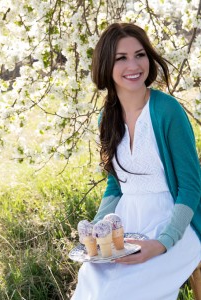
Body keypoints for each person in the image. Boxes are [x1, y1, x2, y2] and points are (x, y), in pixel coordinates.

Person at [71, 22, 201, 300]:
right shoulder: (107, 119)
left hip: (176, 223)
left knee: (123, 292)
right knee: (93, 287)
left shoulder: (167, 111)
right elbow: (116, 186)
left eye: (140, 54)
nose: (134, 64)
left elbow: (191, 188)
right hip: (125, 223)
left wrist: (162, 243)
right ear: (106, 65)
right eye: (121, 58)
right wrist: (96, 231)